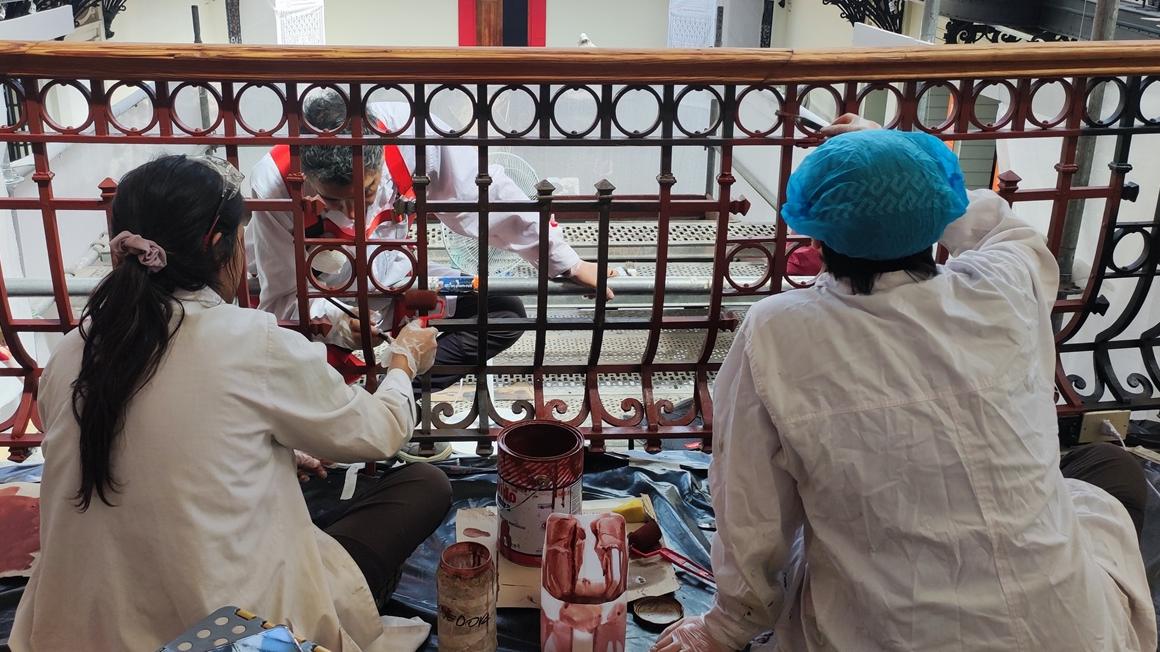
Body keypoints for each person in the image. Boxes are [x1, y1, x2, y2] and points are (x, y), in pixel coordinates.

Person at [651, 117, 1155, 651]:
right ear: (938, 213)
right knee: (1106, 477)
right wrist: (897, 162)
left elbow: (752, 513)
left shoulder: (778, 330)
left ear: (818, 234)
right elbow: (998, 227)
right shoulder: (1001, 286)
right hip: (1068, 630)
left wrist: (725, 629)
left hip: (879, 634)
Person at [11, 155, 450, 651]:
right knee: (424, 484)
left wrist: (267, 451)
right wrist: (403, 362)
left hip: (77, 628)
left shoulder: (73, 349)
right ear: (224, 245)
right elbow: (380, 431)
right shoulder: (248, 341)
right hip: (227, 631)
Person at [248, 89, 612, 393]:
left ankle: (392, 396)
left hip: (399, 282)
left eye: (368, 193)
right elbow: (279, 301)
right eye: (334, 202)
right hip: (328, 306)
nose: (354, 215)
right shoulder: (274, 183)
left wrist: (567, 262)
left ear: (380, 155)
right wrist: (338, 324)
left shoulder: (409, 136)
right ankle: (361, 405)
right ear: (307, 174)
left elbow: (486, 194)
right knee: (301, 371)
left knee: (505, 313)